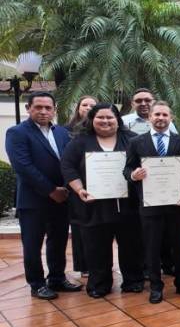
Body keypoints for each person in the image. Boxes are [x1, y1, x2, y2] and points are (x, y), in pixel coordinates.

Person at [61, 103, 144, 298]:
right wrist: (79, 189)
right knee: (96, 246)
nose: (105, 121)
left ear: (117, 120)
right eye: (100, 118)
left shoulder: (132, 139)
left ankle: (133, 281)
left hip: (128, 203)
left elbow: (143, 163)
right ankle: (99, 284)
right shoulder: (80, 141)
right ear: (91, 120)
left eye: (110, 118)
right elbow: (67, 166)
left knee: (131, 244)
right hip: (94, 205)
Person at [6, 92, 80, 300]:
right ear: (28, 108)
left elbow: (69, 163)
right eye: (38, 107)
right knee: (32, 244)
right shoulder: (17, 133)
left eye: (48, 108)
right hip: (33, 200)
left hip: (62, 198)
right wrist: (51, 190)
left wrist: (67, 188)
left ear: (54, 110)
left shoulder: (62, 133)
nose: (43, 111)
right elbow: (23, 167)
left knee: (58, 241)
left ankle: (57, 278)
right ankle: (37, 283)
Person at [124, 101, 180, 304]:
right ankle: (156, 286)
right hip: (150, 205)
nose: (161, 118)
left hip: (176, 204)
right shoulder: (136, 142)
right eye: (157, 114)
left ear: (171, 118)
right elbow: (126, 169)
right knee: (152, 246)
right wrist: (134, 175)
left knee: (179, 246)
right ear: (149, 118)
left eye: (165, 115)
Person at [64, 95, 98, 277]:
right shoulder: (66, 131)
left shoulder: (100, 129)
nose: (88, 107)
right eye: (84, 104)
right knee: (79, 227)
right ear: (78, 108)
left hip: (100, 186)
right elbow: (66, 161)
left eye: (93, 105)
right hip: (76, 186)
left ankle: (98, 264)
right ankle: (83, 266)